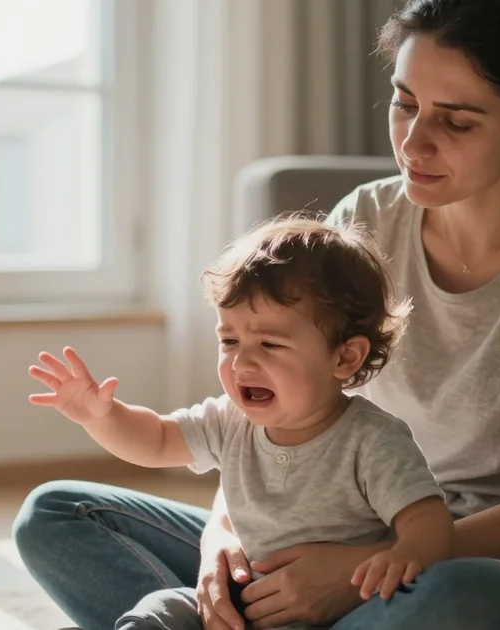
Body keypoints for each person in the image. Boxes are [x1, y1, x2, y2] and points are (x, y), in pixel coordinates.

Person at [13, 0, 500, 628]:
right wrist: (228, 540)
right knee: (61, 514)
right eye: (405, 103)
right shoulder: (366, 218)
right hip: (331, 541)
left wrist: (358, 571)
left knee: (456, 599)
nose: (414, 144)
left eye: (456, 121)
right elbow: (271, 427)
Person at [25, 216, 454, 630]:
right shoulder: (229, 420)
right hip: (239, 600)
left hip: (336, 612)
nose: (241, 361)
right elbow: (155, 440)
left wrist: (405, 555)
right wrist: (104, 417)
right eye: (229, 340)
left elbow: (428, 520)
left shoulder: (372, 439)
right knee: (160, 609)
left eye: (269, 343)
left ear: (344, 357)